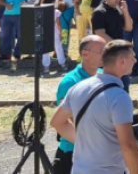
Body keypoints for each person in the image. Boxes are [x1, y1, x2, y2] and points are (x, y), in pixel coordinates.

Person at [49, 40, 138, 174]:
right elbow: (128, 145)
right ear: (122, 61)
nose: (135, 60)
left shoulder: (78, 87)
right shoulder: (119, 97)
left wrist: (84, 141)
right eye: (132, 57)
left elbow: (57, 122)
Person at [52, 35, 106, 174]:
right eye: (101, 51)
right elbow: (66, 121)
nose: (106, 55)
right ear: (85, 53)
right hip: (73, 153)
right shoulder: (70, 81)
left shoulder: (104, 76)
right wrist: (93, 145)